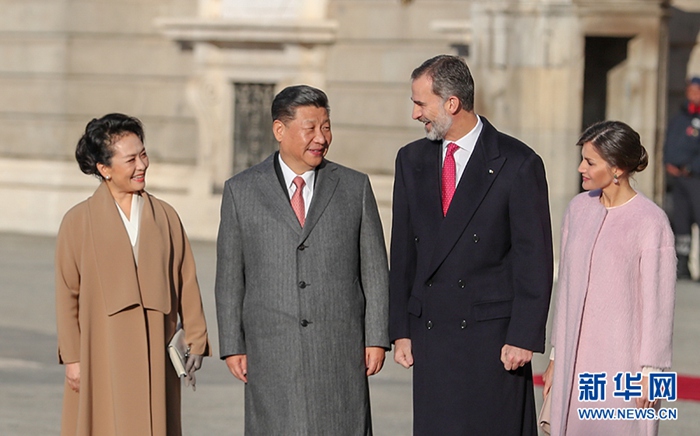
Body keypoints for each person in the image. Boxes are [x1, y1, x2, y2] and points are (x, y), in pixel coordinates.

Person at [389, 54, 553, 435]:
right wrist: (400, 329)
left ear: (451, 103)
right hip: (431, 334)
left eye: (419, 103)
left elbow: (535, 258)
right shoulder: (410, 159)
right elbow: (403, 252)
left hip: (492, 341)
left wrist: (523, 336)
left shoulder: (518, 162)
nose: (415, 114)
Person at [215, 85, 389, 435]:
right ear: (280, 130)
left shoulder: (354, 187)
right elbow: (230, 275)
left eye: (326, 127)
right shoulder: (241, 191)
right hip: (271, 348)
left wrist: (376, 337)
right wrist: (233, 344)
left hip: (339, 346)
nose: (321, 138)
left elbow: (374, 270)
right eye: (310, 128)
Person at [55, 113, 210, 436]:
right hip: (100, 349)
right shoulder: (77, 222)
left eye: (143, 154)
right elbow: (67, 294)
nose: (142, 165)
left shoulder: (165, 216)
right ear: (104, 169)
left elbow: (186, 280)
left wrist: (196, 338)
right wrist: (73, 359)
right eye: (131, 159)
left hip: (157, 345)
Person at [542, 121, 676, 435]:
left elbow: (659, 306)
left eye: (590, 162)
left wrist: (653, 373)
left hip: (624, 368)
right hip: (573, 362)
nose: (580, 168)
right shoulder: (578, 209)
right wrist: (555, 357)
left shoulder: (652, 222)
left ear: (616, 168)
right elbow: (566, 293)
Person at [663, 76, 700, 279]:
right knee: (681, 222)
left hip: (695, 178)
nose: (694, 94)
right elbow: (668, 143)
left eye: (697, 91)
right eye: (691, 90)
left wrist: (689, 167)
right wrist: (667, 162)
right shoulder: (679, 117)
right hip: (678, 181)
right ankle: (683, 268)